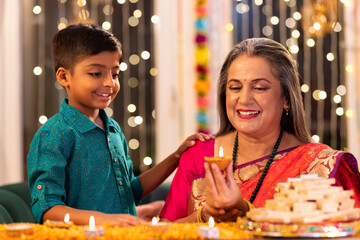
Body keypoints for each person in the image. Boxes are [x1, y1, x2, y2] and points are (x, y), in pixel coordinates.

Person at [27, 23, 210, 226]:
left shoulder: (112, 129)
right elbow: (48, 209)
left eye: (114, 74)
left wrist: (176, 157)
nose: (109, 83)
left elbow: (130, 190)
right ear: (64, 76)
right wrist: (108, 220)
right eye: (96, 73)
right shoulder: (54, 135)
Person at [160, 38, 360, 223]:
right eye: (235, 87)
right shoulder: (198, 156)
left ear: (287, 99)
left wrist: (244, 213)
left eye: (260, 88)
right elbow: (161, 233)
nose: (244, 99)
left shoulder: (321, 165)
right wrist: (203, 216)